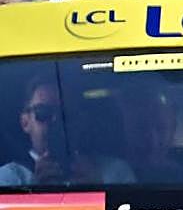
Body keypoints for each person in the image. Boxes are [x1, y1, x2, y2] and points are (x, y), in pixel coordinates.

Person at [0, 80, 134, 186]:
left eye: (66, 114)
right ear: (25, 122)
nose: (55, 120)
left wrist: (98, 189)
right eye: (43, 112)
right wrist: (34, 191)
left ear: (80, 121)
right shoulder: (9, 178)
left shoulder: (116, 173)